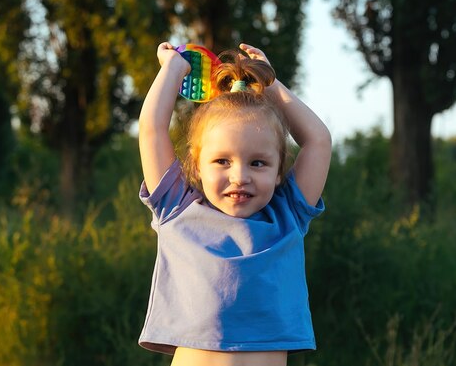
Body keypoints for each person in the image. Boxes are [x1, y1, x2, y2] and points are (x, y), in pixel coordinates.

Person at [137, 41, 332, 366]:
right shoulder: (178, 209)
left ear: (279, 169)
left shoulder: (287, 216)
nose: (240, 176)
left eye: (258, 163)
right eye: (222, 161)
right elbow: (152, 130)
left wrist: (269, 86)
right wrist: (172, 69)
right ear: (197, 165)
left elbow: (319, 141)